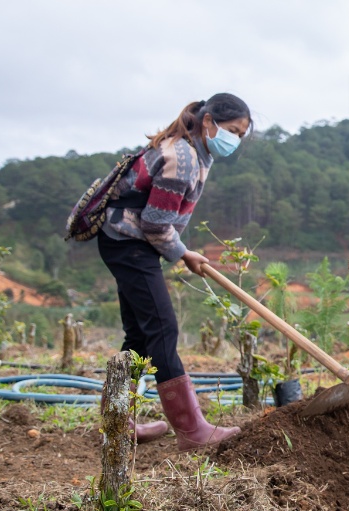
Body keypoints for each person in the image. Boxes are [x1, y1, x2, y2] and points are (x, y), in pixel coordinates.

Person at [97, 93, 252, 451]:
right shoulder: (181, 157)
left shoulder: (197, 152)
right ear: (209, 121)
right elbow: (154, 223)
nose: (236, 140)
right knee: (162, 328)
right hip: (128, 242)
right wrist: (184, 255)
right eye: (233, 130)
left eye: (241, 135)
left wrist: (181, 251)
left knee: (138, 333)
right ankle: (192, 430)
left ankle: (117, 425)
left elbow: (159, 220)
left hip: (130, 241)